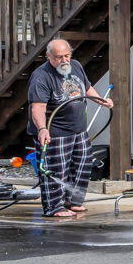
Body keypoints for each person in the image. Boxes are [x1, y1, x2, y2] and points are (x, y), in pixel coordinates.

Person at [27, 39, 112, 219]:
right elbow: (37, 107)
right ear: (49, 56)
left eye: (67, 55)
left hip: (78, 129)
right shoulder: (41, 76)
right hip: (54, 131)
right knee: (56, 169)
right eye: (59, 57)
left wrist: (100, 101)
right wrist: (42, 129)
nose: (64, 60)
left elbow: (86, 88)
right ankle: (54, 207)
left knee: (83, 164)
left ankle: (73, 201)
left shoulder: (75, 66)